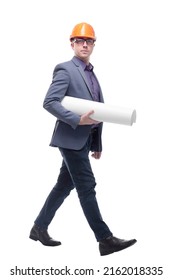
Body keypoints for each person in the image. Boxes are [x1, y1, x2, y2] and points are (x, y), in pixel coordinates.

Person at [29, 22, 137, 256]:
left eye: (89, 41)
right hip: (70, 139)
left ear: (94, 44)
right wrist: (77, 121)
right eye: (80, 40)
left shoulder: (92, 74)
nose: (85, 44)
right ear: (72, 43)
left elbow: (96, 111)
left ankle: (39, 228)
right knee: (87, 187)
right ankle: (105, 239)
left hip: (84, 141)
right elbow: (50, 102)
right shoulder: (65, 69)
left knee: (63, 185)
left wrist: (96, 143)